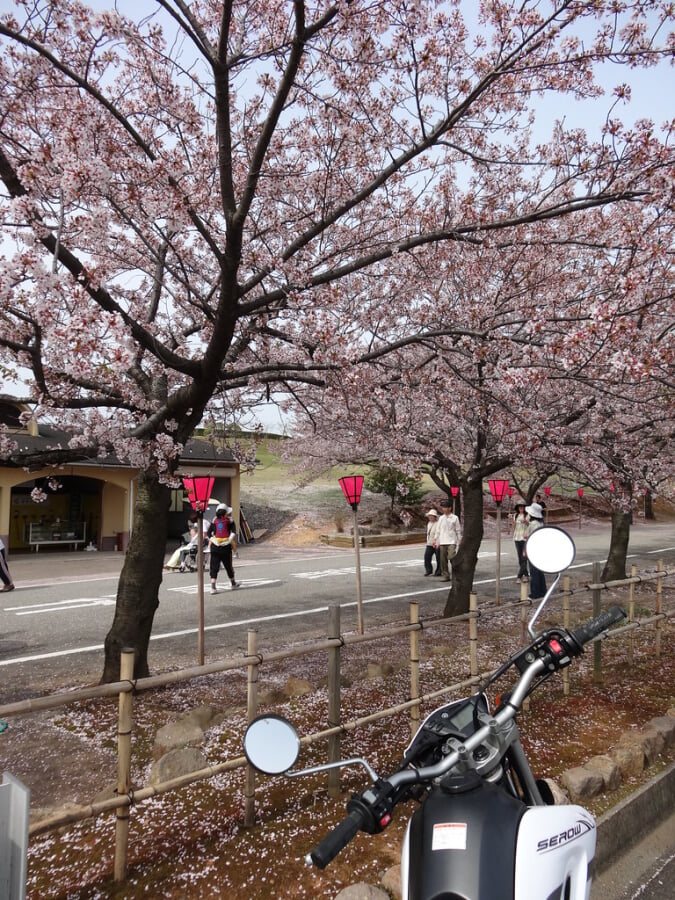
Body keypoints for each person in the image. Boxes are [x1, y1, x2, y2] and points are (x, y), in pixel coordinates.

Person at [207, 504, 239, 594]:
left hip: (215, 547)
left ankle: (213, 587)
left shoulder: (214, 521)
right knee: (228, 565)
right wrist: (229, 541)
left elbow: (209, 534)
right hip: (225, 547)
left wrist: (214, 541)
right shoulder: (230, 521)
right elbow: (233, 532)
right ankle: (233, 583)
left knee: (214, 566)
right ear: (225, 513)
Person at [436, 499, 462, 582]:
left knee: (451, 556)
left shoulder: (455, 518)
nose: (443, 509)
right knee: (443, 560)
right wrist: (436, 540)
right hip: (443, 540)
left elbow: (458, 530)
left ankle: (457, 572)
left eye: (445, 507)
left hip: (451, 540)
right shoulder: (441, 518)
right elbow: (438, 530)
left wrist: (459, 539)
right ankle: (445, 575)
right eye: (443, 507)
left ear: (449, 508)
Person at [525, 502, 546, 599]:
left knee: (534, 572)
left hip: (533, 549)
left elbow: (526, 536)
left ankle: (535, 593)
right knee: (540, 571)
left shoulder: (532, 525)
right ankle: (542, 591)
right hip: (541, 550)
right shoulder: (541, 523)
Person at [512, 501, 529, 583]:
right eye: (519, 507)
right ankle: (526, 575)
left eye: (522, 507)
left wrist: (526, 522)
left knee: (524, 557)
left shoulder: (528, 515)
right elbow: (514, 526)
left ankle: (519, 576)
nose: (521, 508)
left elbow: (529, 525)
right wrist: (513, 522)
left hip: (524, 537)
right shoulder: (516, 515)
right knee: (520, 558)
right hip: (517, 537)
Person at [423, 509, 440, 576]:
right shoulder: (429, 523)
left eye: (432, 516)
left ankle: (439, 571)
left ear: (435, 517)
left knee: (439, 558)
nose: (430, 517)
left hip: (437, 543)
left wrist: (436, 542)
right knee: (427, 557)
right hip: (429, 543)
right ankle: (428, 570)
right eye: (429, 516)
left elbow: (438, 534)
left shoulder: (438, 524)